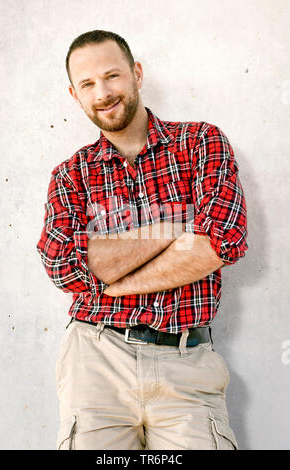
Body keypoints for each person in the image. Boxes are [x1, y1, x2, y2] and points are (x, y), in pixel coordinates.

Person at [36, 29, 248, 450]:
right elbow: (64, 265)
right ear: (74, 94)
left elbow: (221, 241)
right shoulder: (70, 175)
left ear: (136, 73)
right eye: (88, 84)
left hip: (186, 362)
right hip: (96, 361)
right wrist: (175, 229)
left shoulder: (201, 142)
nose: (103, 92)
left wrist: (113, 279)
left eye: (112, 76)